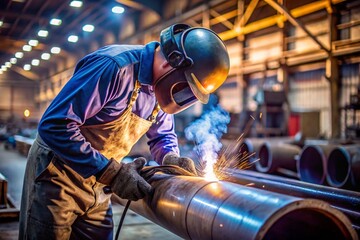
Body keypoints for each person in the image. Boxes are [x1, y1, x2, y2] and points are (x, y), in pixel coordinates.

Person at [19, 23, 230, 239]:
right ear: (170, 64)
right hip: (58, 179)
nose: (184, 98)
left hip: (101, 184)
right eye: (186, 88)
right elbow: (55, 125)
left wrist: (170, 157)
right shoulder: (113, 67)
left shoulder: (160, 89)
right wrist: (111, 172)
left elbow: (163, 136)